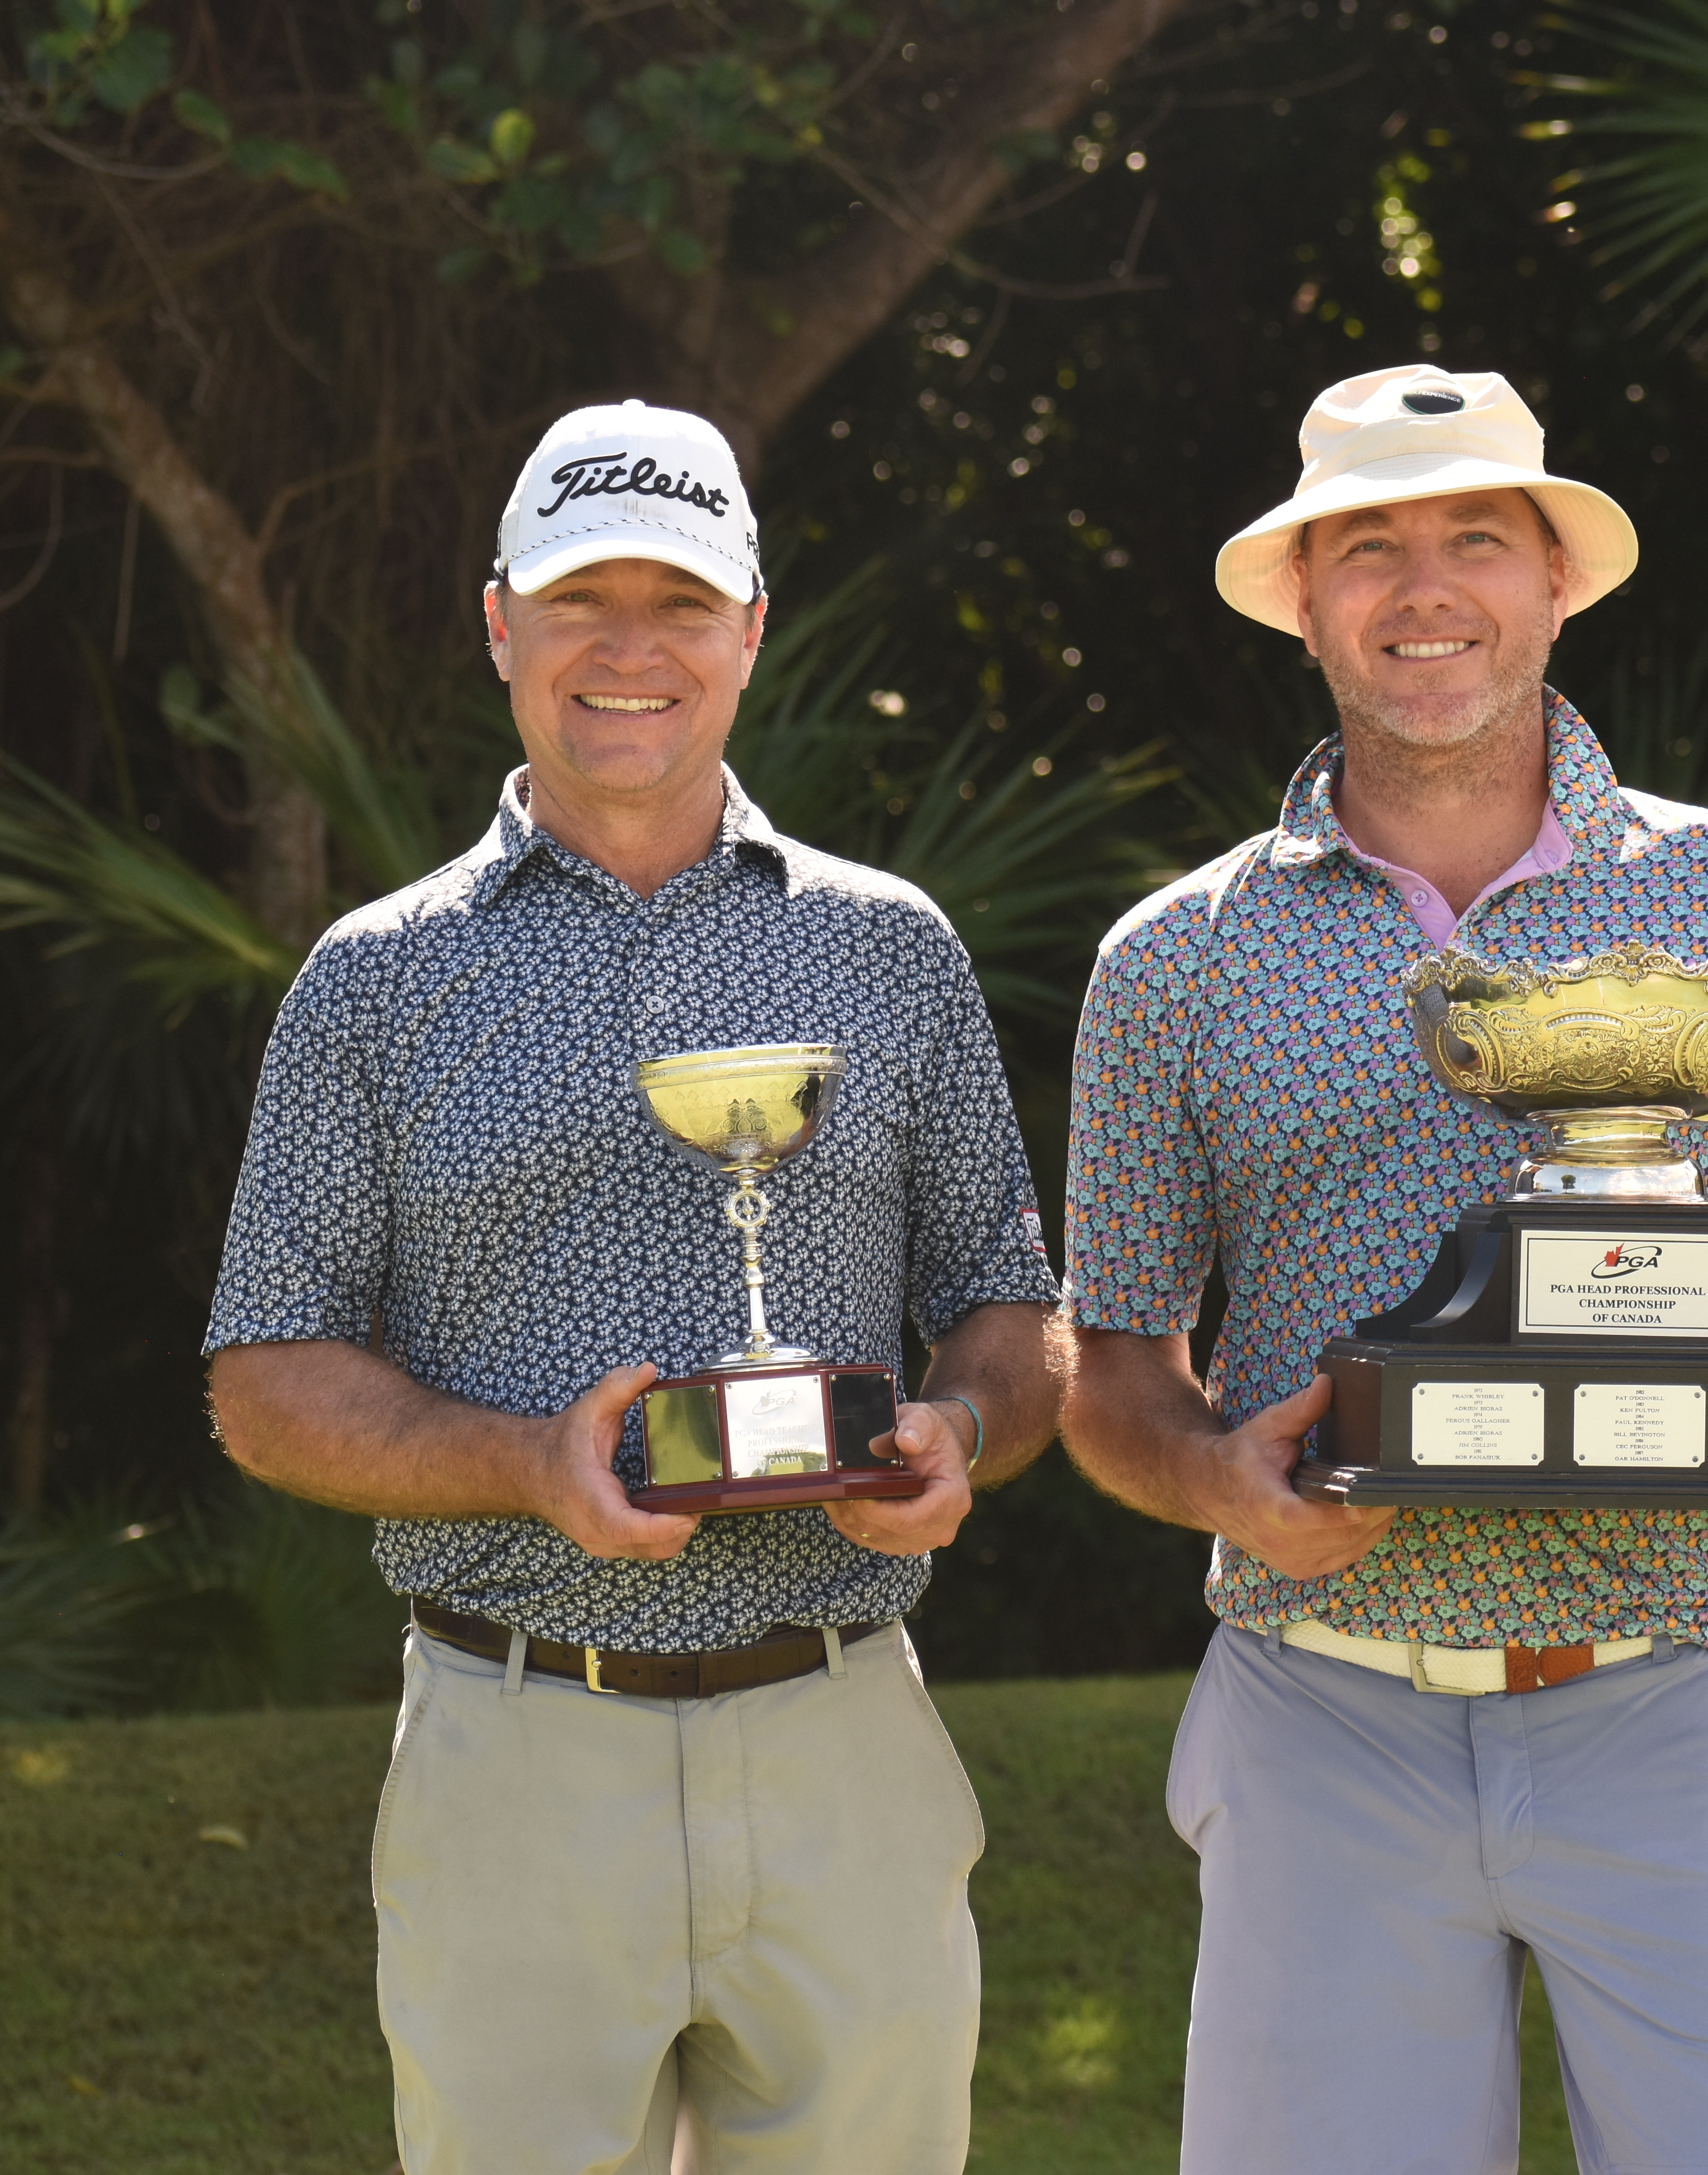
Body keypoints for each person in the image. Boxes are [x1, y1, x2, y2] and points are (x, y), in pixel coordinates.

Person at [1058, 364, 1708, 2175]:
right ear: (1308, 602)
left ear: (1554, 578)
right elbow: (1114, 1364)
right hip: (1319, 1712)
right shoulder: (1174, 958)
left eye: (1475, 538)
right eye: (1370, 551)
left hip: (1678, 1695)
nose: (1426, 594)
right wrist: (1215, 1484)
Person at [202, 398, 1069, 2175]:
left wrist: (964, 1426)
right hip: (517, 1741)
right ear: (499, 623)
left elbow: (1008, 1297)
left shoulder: (887, 947)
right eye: (579, 596)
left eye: (678, 601)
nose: (629, 647)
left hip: (842, 1729)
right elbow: (263, 1377)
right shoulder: (375, 981)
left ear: (749, 631)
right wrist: (531, 1465)